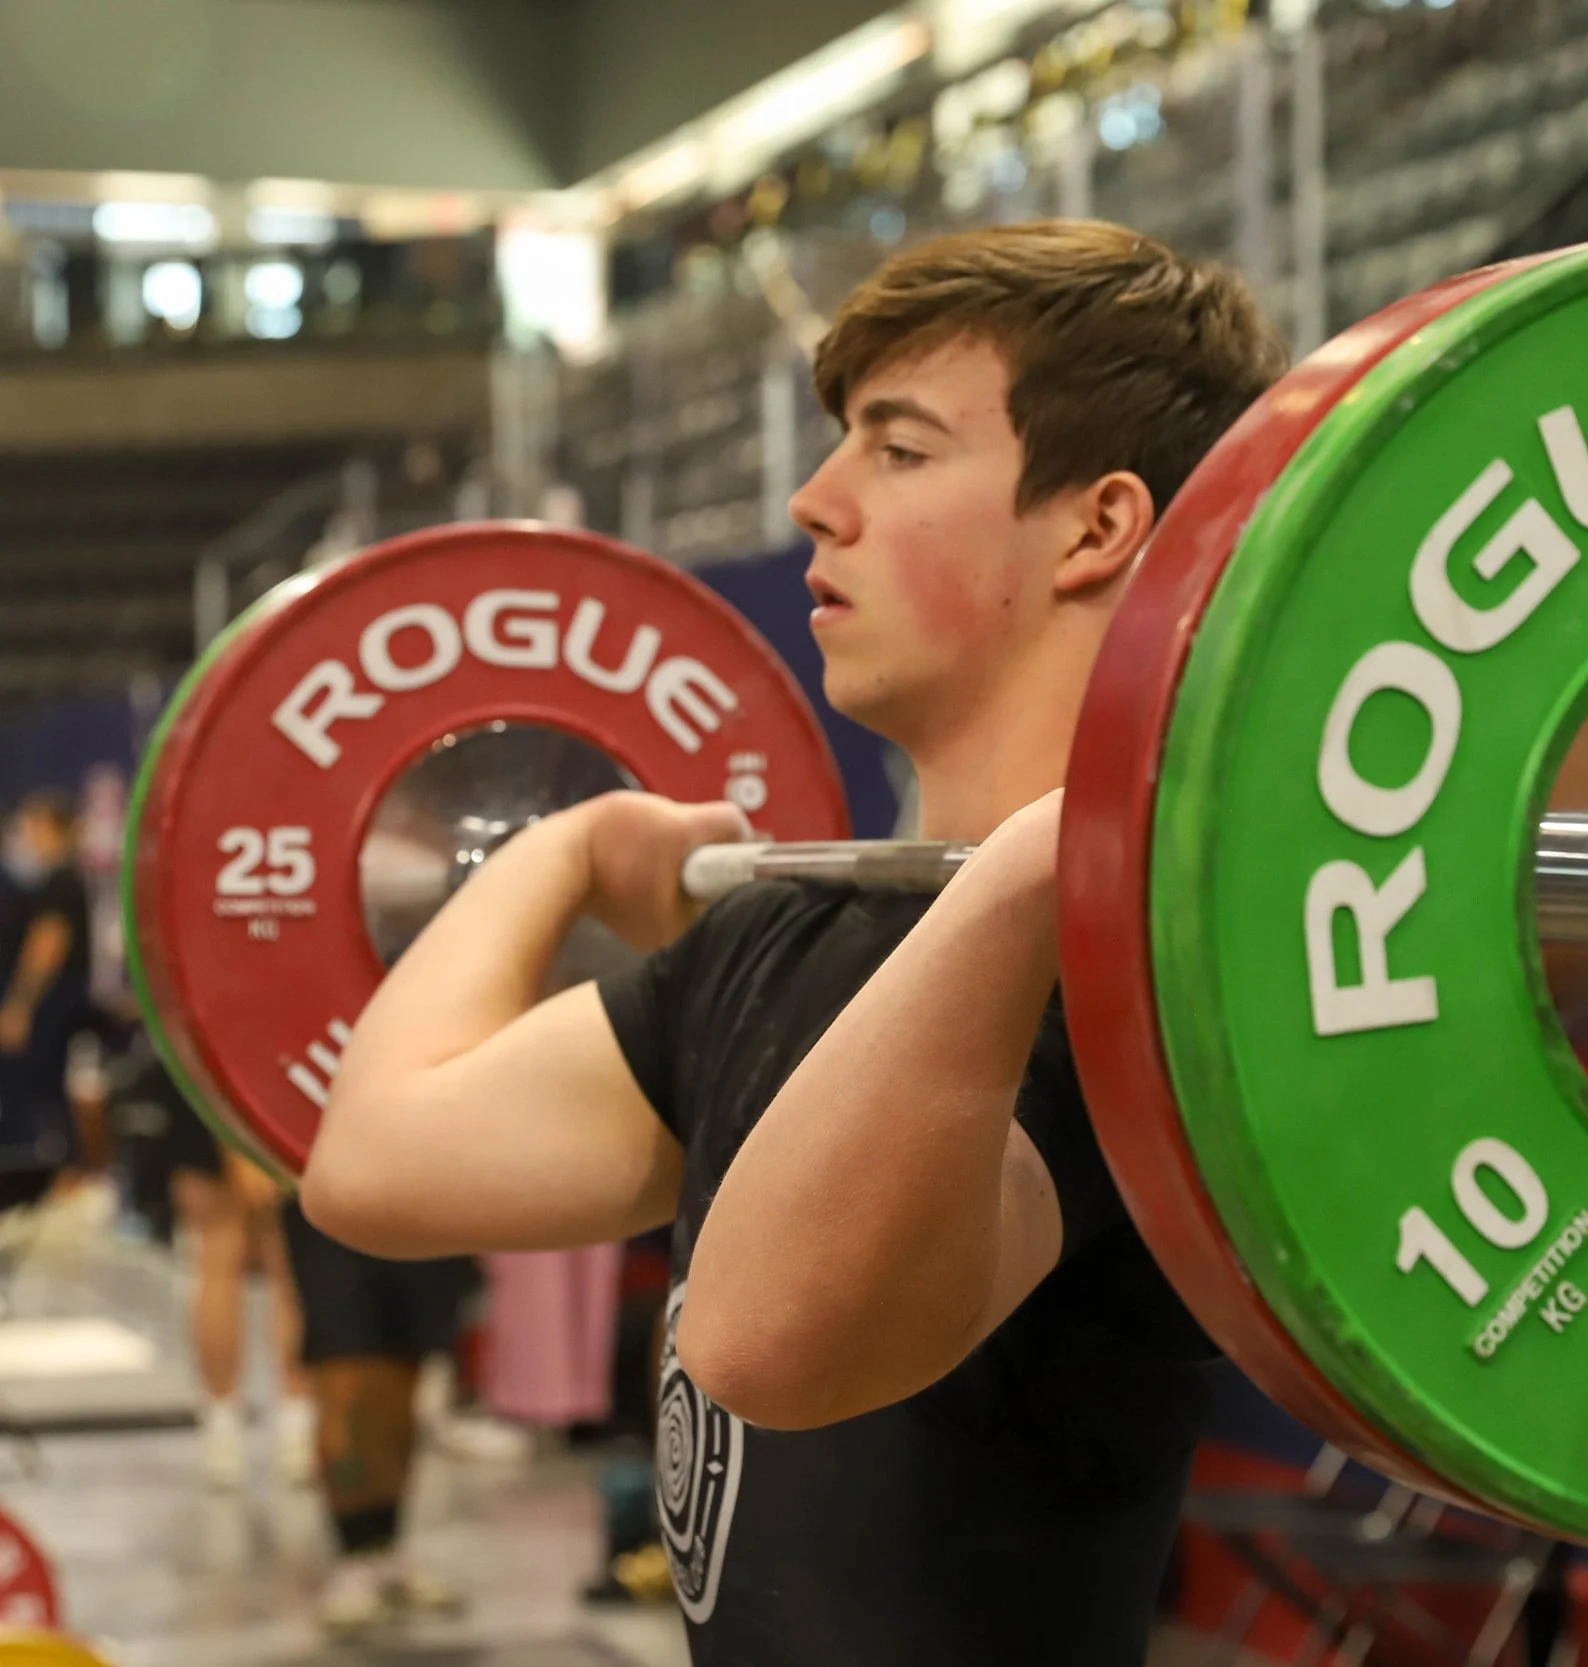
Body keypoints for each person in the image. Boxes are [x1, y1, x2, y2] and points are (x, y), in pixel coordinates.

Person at [300, 220, 1289, 1663]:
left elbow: (768, 1344)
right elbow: (372, 1163)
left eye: (900, 449)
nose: (815, 500)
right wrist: (564, 848)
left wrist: (1047, 859)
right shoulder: (779, 936)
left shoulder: (1125, 985)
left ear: (1096, 526)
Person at [121, 1042, 320, 1488]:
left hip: (206, 1069)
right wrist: (242, 1141)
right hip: (258, 1070)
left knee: (229, 1258)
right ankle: (288, 1424)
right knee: (277, 1263)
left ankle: (235, 1426)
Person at [280, 1201, 477, 1632]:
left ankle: (386, 1550)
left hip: (424, 1197)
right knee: (344, 1375)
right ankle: (353, 1552)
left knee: (404, 1374)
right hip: (333, 1202)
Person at [0, 792, 91, 1206]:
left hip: (52, 1001)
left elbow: (47, 945)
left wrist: (20, 1004)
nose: (26, 836)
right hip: (55, 998)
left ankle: (62, 1175)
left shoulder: (60, 883)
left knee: (43, 1085)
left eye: (32, 826)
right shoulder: (57, 881)